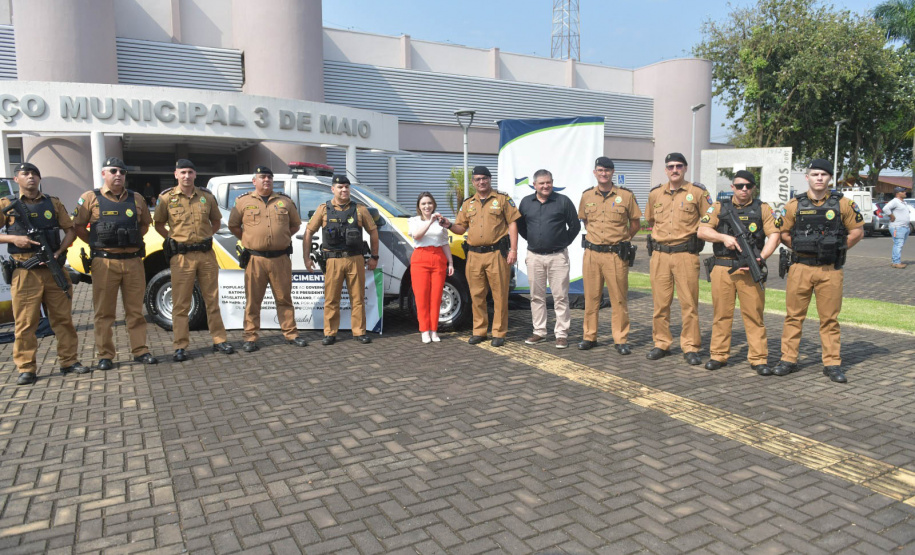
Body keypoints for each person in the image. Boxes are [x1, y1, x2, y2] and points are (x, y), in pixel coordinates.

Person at [774, 159, 864, 383]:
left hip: (830, 269)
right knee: (794, 316)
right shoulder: (794, 204)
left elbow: (857, 231)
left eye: (823, 174)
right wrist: (803, 248)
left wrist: (835, 249)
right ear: (807, 177)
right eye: (815, 174)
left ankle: (832, 364)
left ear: (830, 178)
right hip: (800, 268)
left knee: (829, 319)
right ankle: (788, 359)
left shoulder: (843, 204)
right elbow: (783, 232)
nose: (819, 178)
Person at [0, 162, 88, 385]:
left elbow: (69, 230)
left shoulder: (53, 203)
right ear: (16, 179)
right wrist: (13, 239)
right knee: (26, 322)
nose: (30, 177)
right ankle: (26, 368)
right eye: (25, 174)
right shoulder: (6, 204)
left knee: (63, 320)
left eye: (34, 174)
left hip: (53, 269)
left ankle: (69, 361)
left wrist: (60, 251)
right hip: (25, 271)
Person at [72, 157, 158, 370]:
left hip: (133, 262)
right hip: (105, 262)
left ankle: (140, 350)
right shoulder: (89, 198)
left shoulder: (137, 198)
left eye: (122, 171)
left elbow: (146, 224)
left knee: (135, 311)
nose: (118, 174)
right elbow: (78, 226)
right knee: (104, 312)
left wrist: (131, 239)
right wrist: (97, 243)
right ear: (104, 174)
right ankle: (105, 355)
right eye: (113, 171)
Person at [697, 170, 780, 374]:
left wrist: (761, 258)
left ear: (753, 188)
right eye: (740, 186)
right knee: (721, 314)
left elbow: (775, 235)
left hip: (749, 270)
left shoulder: (763, 208)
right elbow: (702, 230)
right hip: (723, 267)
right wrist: (723, 238)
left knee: (754, 315)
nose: (744, 189)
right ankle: (718, 355)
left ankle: (759, 358)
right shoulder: (719, 207)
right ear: (732, 187)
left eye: (748, 186)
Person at [153, 159, 234, 361]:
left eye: (190, 172)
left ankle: (219, 339)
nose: (187, 176)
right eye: (183, 172)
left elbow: (216, 222)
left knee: (212, 300)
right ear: (176, 175)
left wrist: (205, 236)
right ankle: (181, 346)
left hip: (206, 255)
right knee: (181, 303)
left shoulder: (206, 197)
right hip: (181, 257)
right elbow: (159, 224)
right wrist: (174, 240)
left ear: (195, 175)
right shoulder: (166, 198)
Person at [227, 165, 307, 352]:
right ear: (254, 181)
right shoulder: (243, 201)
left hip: (280, 259)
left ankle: (291, 333)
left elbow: (294, 226)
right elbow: (234, 226)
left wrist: (281, 237)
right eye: (262, 177)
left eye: (269, 177)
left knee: (284, 298)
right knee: (253, 300)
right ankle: (250, 337)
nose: (266, 180)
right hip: (255, 259)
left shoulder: (285, 202)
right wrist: (250, 239)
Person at [439, 166, 520, 347]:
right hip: (474, 256)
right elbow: (461, 228)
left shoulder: (502, 199)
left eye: (484, 178)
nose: (481, 182)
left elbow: (513, 224)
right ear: (473, 182)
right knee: (476, 294)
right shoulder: (468, 204)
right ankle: (480, 331)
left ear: (490, 179)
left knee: (499, 294)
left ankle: (499, 332)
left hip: (497, 254)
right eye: (477, 179)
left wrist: (513, 250)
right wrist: (448, 224)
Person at [644, 152, 712, 365]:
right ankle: (661, 343)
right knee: (660, 304)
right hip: (660, 255)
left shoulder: (698, 192)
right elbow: (650, 219)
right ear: (666, 169)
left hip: (685, 255)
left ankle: (691, 346)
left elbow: (710, 217)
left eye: (679, 166)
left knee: (689, 304)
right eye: (671, 166)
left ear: (685, 168)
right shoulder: (655, 194)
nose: (675, 170)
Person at [303, 175, 379, 345]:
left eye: (346, 187)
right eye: (340, 187)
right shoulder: (323, 209)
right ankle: (330, 333)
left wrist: (374, 256)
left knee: (357, 298)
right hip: (332, 260)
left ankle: (359, 332)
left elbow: (373, 231)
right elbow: (309, 232)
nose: (344, 190)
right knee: (331, 299)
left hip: (355, 259)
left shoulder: (360, 209)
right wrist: (306, 258)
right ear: (333, 189)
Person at [576, 157, 641, 353]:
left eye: (607, 170)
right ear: (595, 173)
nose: (603, 173)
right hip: (592, 254)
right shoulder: (587, 196)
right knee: (591, 297)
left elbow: (635, 224)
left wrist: (621, 239)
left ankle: (620, 339)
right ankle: (589, 336)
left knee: (619, 299)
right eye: (600, 170)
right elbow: (586, 222)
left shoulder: (626, 196)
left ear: (613, 173)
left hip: (615, 255)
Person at [518, 169, 580, 349]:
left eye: (548, 182)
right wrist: (533, 240)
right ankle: (539, 331)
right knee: (536, 297)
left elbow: (574, 226)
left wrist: (563, 242)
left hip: (558, 257)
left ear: (552, 182)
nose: (546, 186)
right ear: (534, 185)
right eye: (542, 183)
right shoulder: (526, 203)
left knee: (560, 296)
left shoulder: (563, 201)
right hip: (534, 256)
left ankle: (561, 334)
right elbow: (521, 226)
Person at [408, 192, 454, 343]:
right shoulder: (414, 220)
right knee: (421, 296)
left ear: (433, 204)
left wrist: (451, 262)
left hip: (438, 258)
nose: (427, 206)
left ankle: (434, 330)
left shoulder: (440, 222)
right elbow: (417, 236)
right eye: (423, 204)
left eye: (429, 203)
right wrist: (429, 221)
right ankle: (424, 330)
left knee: (436, 297)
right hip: (420, 258)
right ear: (419, 207)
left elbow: (444, 243)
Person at [883, 187, 910, 269]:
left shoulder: (903, 202)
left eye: (904, 191)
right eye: (903, 191)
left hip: (904, 227)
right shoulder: (895, 201)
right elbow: (885, 208)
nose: (905, 192)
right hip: (897, 227)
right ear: (897, 193)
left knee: (899, 244)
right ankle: (896, 262)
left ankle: (895, 261)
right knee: (898, 244)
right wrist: (891, 215)